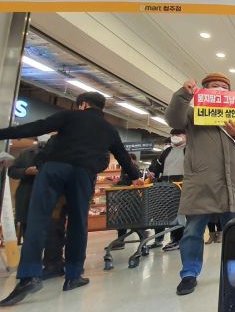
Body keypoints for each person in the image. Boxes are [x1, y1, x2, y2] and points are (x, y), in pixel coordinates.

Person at [0, 92, 143, 306]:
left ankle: (29, 276)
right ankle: (73, 276)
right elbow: (123, 156)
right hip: (83, 173)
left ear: (82, 105)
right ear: (101, 108)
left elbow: (35, 127)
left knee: (38, 220)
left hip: (53, 169)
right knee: (78, 223)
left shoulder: (69, 116)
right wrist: (135, 177)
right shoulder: (109, 129)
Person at [166, 73, 235, 296]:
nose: (220, 90)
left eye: (225, 87)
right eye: (215, 86)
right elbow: (173, 120)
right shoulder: (192, 113)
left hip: (231, 182)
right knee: (193, 231)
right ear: (204, 91)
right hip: (201, 182)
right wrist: (183, 94)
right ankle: (189, 273)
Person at [8, 133, 67, 279]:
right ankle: (32, 266)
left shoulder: (61, 153)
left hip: (53, 198)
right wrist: (26, 171)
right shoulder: (26, 153)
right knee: (30, 233)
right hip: (28, 197)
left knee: (54, 231)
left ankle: (53, 264)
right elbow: (12, 171)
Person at [148, 129, 187, 252]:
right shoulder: (167, 151)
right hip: (166, 186)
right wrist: (153, 173)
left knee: (181, 214)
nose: (175, 137)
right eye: (173, 135)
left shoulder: (190, 150)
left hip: (183, 185)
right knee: (170, 213)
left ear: (186, 136)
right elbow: (157, 168)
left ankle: (181, 239)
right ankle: (174, 238)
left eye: (178, 135)